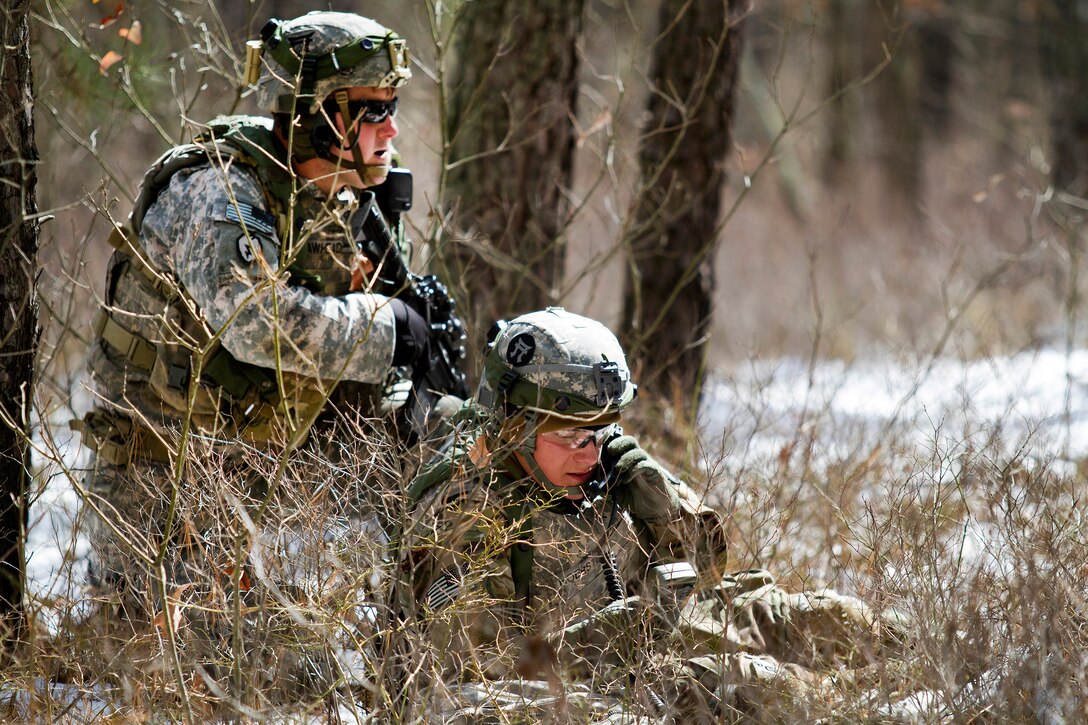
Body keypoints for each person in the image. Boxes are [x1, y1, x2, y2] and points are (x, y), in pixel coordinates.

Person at [76, 12, 449, 613]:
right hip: (162, 485)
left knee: (457, 445)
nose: (392, 128)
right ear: (320, 113)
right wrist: (387, 329)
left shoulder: (341, 194)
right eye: (372, 110)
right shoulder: (222, 191)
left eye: (393, 106)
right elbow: (258, 326)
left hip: (258, 460)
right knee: (279, 677)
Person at [393, 308, 908, 722]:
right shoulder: (467, 512)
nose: (589, 454)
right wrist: (610, 637)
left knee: (832, 620)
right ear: (514, 429)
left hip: (653, 637)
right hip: (581, 687)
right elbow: (467, 683)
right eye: (570, 437)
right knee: (758, 687)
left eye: (600, 433)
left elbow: (704, 569)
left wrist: (649, 486)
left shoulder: (600, 466)